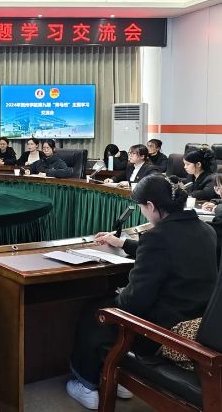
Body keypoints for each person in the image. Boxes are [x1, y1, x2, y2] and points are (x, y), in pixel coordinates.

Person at [66, 174, 218, 410]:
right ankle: (114, 372)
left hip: (164, 334)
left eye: (141, 208)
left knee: (95, 312)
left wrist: (121, 293)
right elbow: (173, 251)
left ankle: (86, 384)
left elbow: (134, 303)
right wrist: (123, 243)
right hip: (199, 323)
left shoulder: (157, 238)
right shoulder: (206, 230)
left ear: (151, 206)